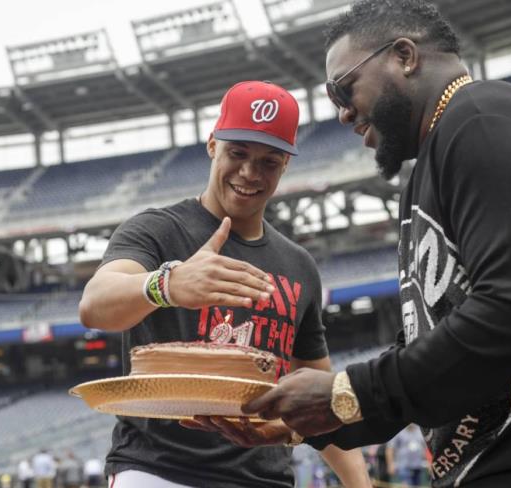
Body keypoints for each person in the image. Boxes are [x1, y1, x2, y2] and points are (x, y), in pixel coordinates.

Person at [240, 0, 511, 488]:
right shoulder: (427, 171)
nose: (344, 115)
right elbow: (428, 352)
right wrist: (311, 421)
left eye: (346, 89)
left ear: (404, 56)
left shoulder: (483, 121)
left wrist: (348, 391)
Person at [79, 80, 370, 488]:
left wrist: (360, 484)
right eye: (238, 153)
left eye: (269, 161)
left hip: (266, 477)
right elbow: (95, 304)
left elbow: (317, 394)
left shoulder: (298, 265)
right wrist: (167, 285)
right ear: (213, 143)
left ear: (286, 163)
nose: (250, 173)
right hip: (160, 472)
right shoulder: (158, 230)